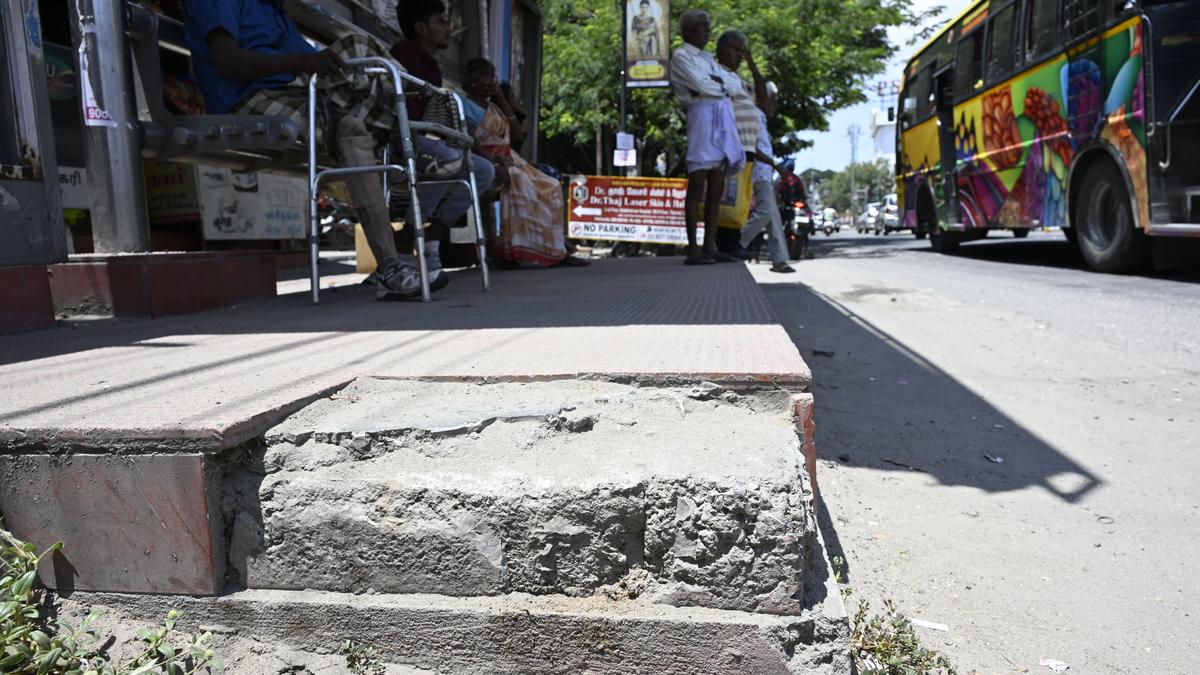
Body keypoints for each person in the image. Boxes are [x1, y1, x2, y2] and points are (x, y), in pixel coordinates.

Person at [186, 0, 446, 300]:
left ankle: (407, 135)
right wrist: (304, 64)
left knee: (358, 56)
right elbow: (228, 61)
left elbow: (315, 62)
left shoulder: (273, 9)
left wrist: (326, 66)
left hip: (293, 91)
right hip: (246, 101)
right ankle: (390, 260)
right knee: (351, 127)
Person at [391, 0, 497, 289]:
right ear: (421, 27)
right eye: (441, 22)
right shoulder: (403, 54)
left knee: (484, 171)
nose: (447, 29)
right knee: (449, 161)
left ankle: (434, 236)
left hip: (433, 140)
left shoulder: (433, 66)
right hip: (407, 139)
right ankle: (411, 237)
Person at [462, 58, 585, 268]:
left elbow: (517, 136)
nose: (490, 81)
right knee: (520, 182)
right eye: (484, 76)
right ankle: (511, 251)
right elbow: (471, 140)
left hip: (511, 159)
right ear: (473, 79)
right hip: (486, 161)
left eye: (492, 76)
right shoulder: (465, 104)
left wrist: (502, 101)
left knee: (552, 186)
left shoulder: (496, 107)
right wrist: (493, 163)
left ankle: (555, 249)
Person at [669, 9, 744, 265]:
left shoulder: (708, 59)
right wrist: (719, 86)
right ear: (688, 31)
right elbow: (701, 86)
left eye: (708, 25)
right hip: (701, 117)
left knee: (717, 184)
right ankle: (693, 248)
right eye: (701, 26)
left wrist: (718, 84)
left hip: (721, 116)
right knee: (698, 181)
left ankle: (709, 245)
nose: (707, 30)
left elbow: (735, 84)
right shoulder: (681, 56)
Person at [714, 30, 766, 259]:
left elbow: (763, 102)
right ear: (724, 50)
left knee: (739, 200)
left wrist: (753, 65)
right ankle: (723, 245)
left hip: (747, 148)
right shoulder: (717, 73)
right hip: (731, 146)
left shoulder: (740, 81)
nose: (740, 56)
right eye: (737, 50)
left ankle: (731, 244)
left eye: (743, 51)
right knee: (727, 199)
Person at [739, 81, 795, 273]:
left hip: (764, 174)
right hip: (757, 173)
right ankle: (738, 243)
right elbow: (751, 148)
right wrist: (774, 164)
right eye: (772, 99)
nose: (774, 105)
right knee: (766, 212)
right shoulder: (753, 115)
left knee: (773, 216)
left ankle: (779, 260)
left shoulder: (761, 118)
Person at [776, 161, 813, 260]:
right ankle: (806, 248)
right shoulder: (787, 179)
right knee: (779, 224)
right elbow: (779, 194)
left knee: (808, 223)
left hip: (794, 205)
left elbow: (803, 193)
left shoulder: (790, 179)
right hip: (787, 206)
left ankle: (807, 248)